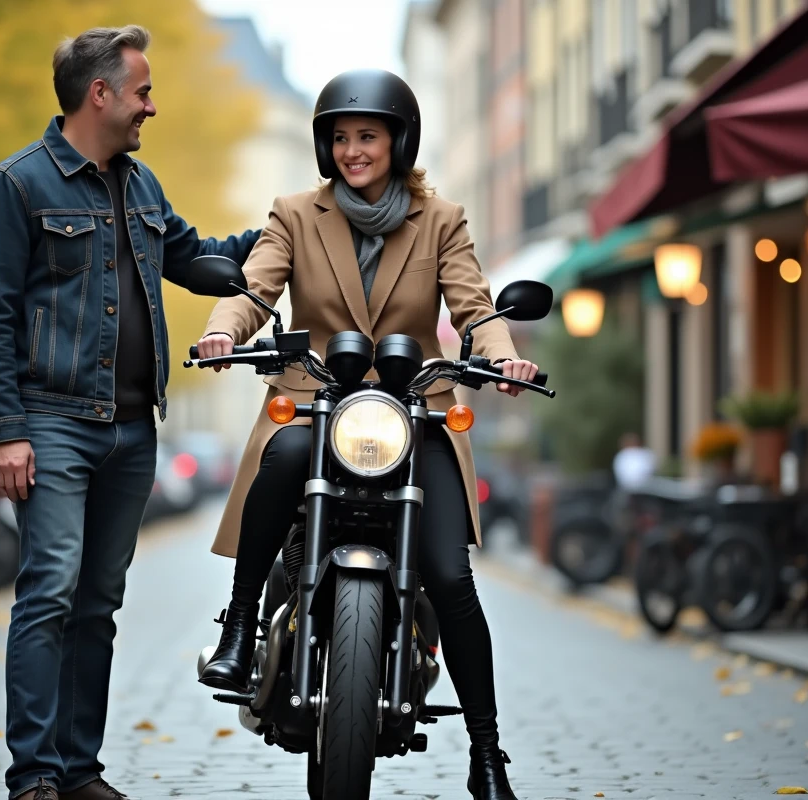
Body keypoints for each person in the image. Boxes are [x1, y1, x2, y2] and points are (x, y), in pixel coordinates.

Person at [194, 69, 536, 800]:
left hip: (415, 411)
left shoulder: (441, 218)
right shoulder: (293, 213)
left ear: (398, 142)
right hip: (319, 401)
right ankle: (241, 624)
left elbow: (474, 309)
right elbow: (254, 291)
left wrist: (501, 354)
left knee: (450, 575)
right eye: (341, 137)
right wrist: (223, 332)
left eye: (368, 136)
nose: (354, 150)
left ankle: (486, 754)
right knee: (280, 456)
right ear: (326, 146)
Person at [0, 25, 259, 800]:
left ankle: (77, 769)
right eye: (142, 91)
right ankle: (33, 777)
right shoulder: (17, 185)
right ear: (101, 94)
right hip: (51, 421)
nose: (151, 107)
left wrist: (291, 230)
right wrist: (6, 432)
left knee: (97, 603)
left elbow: (198, 261)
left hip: (132, 430)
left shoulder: (142, 186)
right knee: (50, 590)